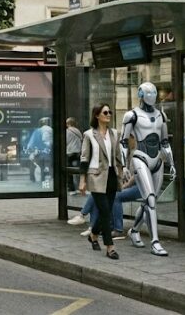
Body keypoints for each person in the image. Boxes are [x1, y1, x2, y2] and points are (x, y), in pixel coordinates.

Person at [121, 82, 175, 257]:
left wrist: (171, 163)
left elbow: (165, 141)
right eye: (148, 93)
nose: (151, 96)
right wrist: (123, 165)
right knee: (150, 199)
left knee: (148, 201)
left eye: (154, 93)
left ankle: (135, 230)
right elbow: (123, 141)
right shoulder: (132, 115)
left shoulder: (161, 115)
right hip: (140, 158)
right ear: (141, 94)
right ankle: (155, 242)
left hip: (157, 160)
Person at [79, 103, 123, 260]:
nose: (109, 114)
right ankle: (110, 247)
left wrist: (121, 174)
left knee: (107, 210)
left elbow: (118, 157)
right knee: (105, 211)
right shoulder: (89, 134)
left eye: (110, 111)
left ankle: (93, 234)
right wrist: (82, 180)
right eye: (105, 112)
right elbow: (84, 158)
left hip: (111, 176)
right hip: (96, 177)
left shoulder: (115, 133)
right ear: (97, 115)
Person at [25, 117, 53, 184]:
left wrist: (30, 150)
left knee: (37, 165)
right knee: (47, 166)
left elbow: (31, 143)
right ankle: (47, 181)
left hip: (39, 152)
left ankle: (35, 179)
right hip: (48, 152)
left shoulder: (38, 130)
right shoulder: (51, 130)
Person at [65, 117, 82, 193]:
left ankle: (71, 188)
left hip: (69, 153)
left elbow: (65, 141)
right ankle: (78, 187)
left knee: (69, 171)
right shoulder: (78, 131)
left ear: (69, 123)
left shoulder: (67, 131)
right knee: (77, 170)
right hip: (78, 153)